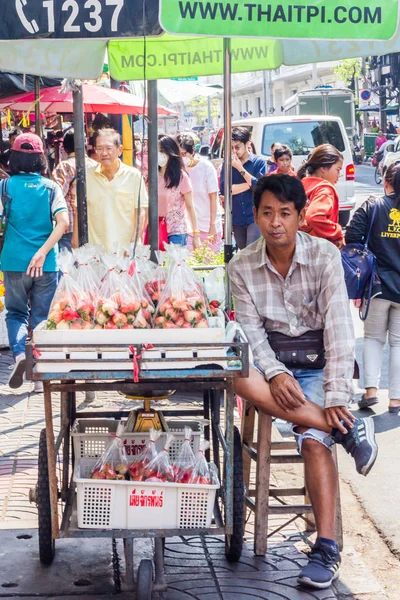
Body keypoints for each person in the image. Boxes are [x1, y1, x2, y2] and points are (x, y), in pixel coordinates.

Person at [228, 174, 377, 590]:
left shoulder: (325, 255)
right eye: (267, 212)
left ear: (299, 216)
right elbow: (252, 331)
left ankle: (326, 548)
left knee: (313, 440)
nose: (276, 222)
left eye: (285, 213)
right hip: (273, 365)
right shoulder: (240, 265)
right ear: (255, 216)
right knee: (238, 377)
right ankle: (348, 430)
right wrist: (274, 372)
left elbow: (339, 328)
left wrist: (335, 395)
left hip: (318, 365)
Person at [0, 133, 69, 391]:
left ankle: (20, 356)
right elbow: (63, 223)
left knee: (17, 313)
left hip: (14, 261)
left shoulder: (5, 188)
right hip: (46, 263)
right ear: (41, 159)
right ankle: (40, 374)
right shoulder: (51, 188)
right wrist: (42, 251)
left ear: (14, 158)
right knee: (42, 317)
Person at [346, 161, 400, 412]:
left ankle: (370, 391)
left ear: (386, 181)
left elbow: (352, 236)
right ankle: (396, 399)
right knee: (398, 343)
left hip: (375, 286)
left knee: (373, 338)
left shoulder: (373, 205)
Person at [83, 128, 148, 253]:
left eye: (108, 148)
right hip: (95, 252)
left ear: (120, 150)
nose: (104, 153)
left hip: (124, 252)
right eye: (99, 148)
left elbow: (141, 212)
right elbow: (79, 212)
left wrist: (133, 242)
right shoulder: (87, 176)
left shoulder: (133, 176)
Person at [220, 127, 266, 249]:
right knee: (243, 251)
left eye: (237, 147)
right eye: (232, 148)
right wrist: (250, 184)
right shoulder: (227, 164)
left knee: (252, 250)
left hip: (254, 215)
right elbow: (226, 190)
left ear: (248, 144)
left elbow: (260, 188)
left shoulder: (259, 162)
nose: (234, 151)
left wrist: (240, 169)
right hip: (237, 216)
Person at [52, 129, 97, 253]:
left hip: (69, 226)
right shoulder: (95, 165)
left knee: (69, 268)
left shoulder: (64, 166)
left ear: (65, 148)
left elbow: (57, 196)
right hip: (92, 225)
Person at [178, 133, 222, 252]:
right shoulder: (179, 171)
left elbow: (213, 197)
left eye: (184, 154)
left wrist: (212, 226)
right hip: (189, 226)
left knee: (209, 264)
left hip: (208, 224)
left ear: (192, 152)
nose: (182, 158)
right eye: (178, 155)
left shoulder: (206, 167)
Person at [298, 144, 344, 248]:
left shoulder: (301, 184)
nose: (339, 175)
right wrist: (337, 232)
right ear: (323, 168)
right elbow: (313, 217)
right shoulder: (324, 189)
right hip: (318, 250)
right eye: (338, 169)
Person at [158, 134, 200, 248]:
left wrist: (196, 235)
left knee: (175, 264)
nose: (159, 155)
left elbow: (190, 206)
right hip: (157, 229)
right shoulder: (152, 177)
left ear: (170, 152)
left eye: (162, 151)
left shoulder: (181, 177)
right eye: (157, 151)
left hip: (177, 230)